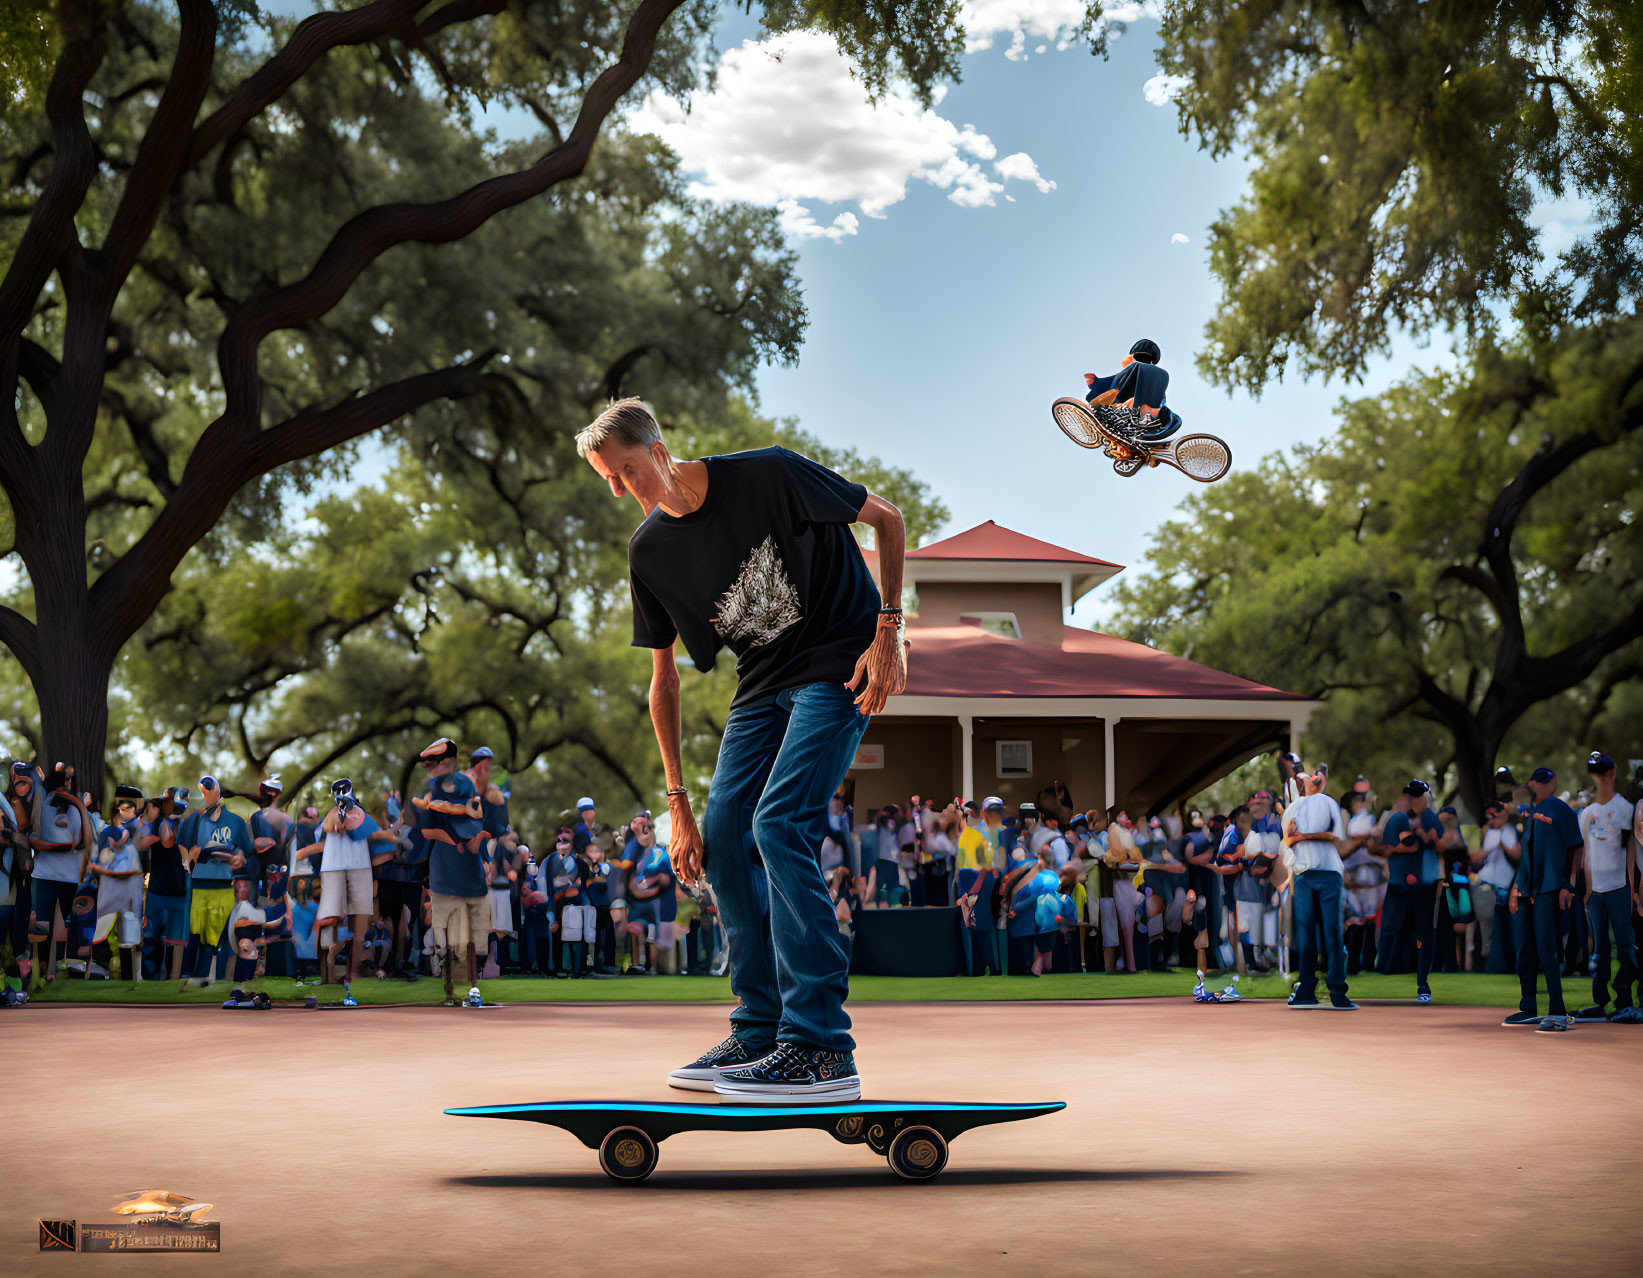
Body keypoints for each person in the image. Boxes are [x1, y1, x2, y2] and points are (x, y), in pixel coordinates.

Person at [579, 398, 907, 1102]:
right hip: (759, 687)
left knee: (777, 823)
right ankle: (759, 1029)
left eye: (625, 469)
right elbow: (661, 681)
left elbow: (886, 519)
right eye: (608, 478)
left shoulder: (769, 474)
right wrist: (677, 804)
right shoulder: (650, 551)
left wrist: (888, 632)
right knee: (724, 837)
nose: (620, 488)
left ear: (658, 447)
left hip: (835, 665)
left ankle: (819, 1047)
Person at [1502, 766, 1583, 1031]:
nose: (1538, 785)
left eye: (1543, 781)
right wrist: (1516, 888)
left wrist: (1569, 886)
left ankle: (1557, 1010)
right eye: (1536, 781)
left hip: (1550, 887)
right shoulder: (1528, 813)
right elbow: (1525, 855)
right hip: (1526, 888)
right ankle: (1528, 1006)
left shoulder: (1559, 809)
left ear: (1553, 783)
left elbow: (1576, 846)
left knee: (1547, 949)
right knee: (1524, 948)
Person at [413, 738, 490, 1005]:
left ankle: (472, 987)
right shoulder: (430, 788)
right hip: (445, 865)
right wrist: (453, 840)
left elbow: (473, 818)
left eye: (438, 763)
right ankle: (449, 988)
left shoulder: (464, 784)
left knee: (468, 930)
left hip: (465, 866)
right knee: (443, 930)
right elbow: (426, 829)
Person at [1281, 765, 1355, 1009]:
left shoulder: (1328, 802)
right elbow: (1287, 840)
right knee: (1306, 934)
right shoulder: (1294, 807)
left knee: (1332, 931)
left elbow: (1334, 836)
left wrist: (1302, 836)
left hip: (1328, 873)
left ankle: (1337, 992)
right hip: (1303, 873)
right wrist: (1294, 836)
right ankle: (1306, 990)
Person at [1573, 753, 1637, 1023]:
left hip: (1619, 887)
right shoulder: (1586, 814)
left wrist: (1633, 888)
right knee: (1598, 949)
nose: (1599, 777)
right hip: (1595, 891)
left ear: (1612, 774)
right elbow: (1585, 852)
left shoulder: (1624, 808)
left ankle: (1624, 1000)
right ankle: (1600, 1002)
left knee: (1625, 945)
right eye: (1595, 772)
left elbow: (1630, 850)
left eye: (1603, 771)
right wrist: (1586, 889)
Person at [178, 776, 255, 985]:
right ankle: (190, 977)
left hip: (223, 886)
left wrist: (238, 858)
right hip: (197, 886)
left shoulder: (235, 821)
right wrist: (192, 857)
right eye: (203, 795)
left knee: (215, 939)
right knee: (194, 936)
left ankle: (212, 979)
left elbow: (246, 853)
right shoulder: (194, 820)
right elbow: (182, 850)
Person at [1373, 779, 1442, 1003]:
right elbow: (1379, 846)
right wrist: (1398, 845)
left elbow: (1436, 843)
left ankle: (1423, 983)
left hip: (1423, 883)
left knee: (1423, 934)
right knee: (1390, 929)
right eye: (1412, 795)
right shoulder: (1397, 816)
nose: (1416, 798)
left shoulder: (1430, 816)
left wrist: (1418, 837)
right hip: (1399, 882)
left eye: (1420, 795)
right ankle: (1381, 969)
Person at [24, 762, 93, 985]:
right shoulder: (44, 807)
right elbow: (32, 840)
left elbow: (85, 843)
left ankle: (59, 970)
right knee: (45, 926)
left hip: (61, 877)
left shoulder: (65, 809)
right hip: (50, 876)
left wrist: (79, 807)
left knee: (64, 924)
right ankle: (46, 971)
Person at [91, 784, 145, 981]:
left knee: (129, 935)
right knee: (104, 929)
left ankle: (128, 978)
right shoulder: (109, 832)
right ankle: (103, 970)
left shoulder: (139, 830)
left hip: (131, 891)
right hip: (110, 890)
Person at [1082, 338, 1183, 444]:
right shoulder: (1144, 371)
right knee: (1144, 372)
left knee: (1155, 374)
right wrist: (1097, 383)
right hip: (1128, 408)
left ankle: (1146, 417)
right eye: (1139, 358)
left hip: (1139, 413)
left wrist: (1162, 412)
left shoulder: (1149, 373)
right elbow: (1117, 380)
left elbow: (1159, 396)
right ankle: (1144, 416)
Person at [1472, 800, 1520, 973]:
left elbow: (1517, 854)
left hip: (1505, 888)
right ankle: (1487, 964)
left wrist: (1502, 845)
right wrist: (1489, 849)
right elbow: (1476, 857)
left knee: (1503, 930)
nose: (1491, 821)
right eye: (1488, 818)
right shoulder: (1488, 832)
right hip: (1487, 886)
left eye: (1494, 817)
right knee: (1487, 930)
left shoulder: (1510, 831)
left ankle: (1503, 965)